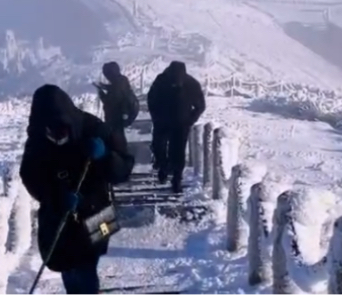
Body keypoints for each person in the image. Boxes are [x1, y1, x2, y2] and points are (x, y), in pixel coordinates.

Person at [19, 84, 135, 294]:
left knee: (86, 267)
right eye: (50, 131)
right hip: (60, 214)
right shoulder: (37, 138)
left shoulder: (94, 128)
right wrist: (55, 197)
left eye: (62, 129)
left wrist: (106, 157)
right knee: (67, 265)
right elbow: (30, 176)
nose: (57, 136)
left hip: (99, 212)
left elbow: (124, 170)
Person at [146, 60, 205, 193]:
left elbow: (200, 106)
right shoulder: (161, 81)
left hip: (181, 124)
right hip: (162, 122)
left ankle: (177, 179)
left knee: (178, 152)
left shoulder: (192, 84)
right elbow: (151, 99)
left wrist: (190, 120)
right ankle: (163, 166)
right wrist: (155, 116)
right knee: (158, 146)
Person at [94, 61, 140, 145]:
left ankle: (120, 154)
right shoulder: (122, 79)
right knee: (119, 137)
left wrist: (100, 92)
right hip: (122, 115)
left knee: (117, 139)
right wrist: (104, 86)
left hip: (116, 118)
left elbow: (108, 101)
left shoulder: (117, 87)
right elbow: (114, 88)